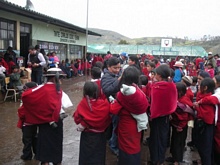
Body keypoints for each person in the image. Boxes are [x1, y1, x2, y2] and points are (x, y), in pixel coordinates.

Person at [19, 68, 72, 165]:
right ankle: (56, 161)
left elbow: (25, 96)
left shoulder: (40, 89)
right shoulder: (59, 91)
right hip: (57, 121)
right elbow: (66, 105)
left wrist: (37, 112)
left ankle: (45, 162)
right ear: (54, 78)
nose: (61, 80)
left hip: (43, 122)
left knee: (44, 143)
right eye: (60, 78)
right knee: (56, 144)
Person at [110, 66, 149, 164]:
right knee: (134, 147)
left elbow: (114, 110)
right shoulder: (138, 91)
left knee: (126, 148)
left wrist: (112, 102)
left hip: (126, 125)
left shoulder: (122, 94)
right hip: (136, 125)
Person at [73, 81, 111, 165]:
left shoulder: (83, 103)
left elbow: (77, 119)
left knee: (86, 157)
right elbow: (108, 119)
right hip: (100, 135)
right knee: (99, 156)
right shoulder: (104, 103)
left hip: (87, 136)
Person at [148, 64, 177, 165]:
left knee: (155, 138)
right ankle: (160, 159)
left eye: (155, 74)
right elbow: (173, 100)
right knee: (162, 138)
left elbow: (153, 104)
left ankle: (155, 159)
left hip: (156, 117)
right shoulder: (172, 85)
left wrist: (152, 115)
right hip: (166, 116)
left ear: (159, 76)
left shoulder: (156, 87)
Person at [168, 82, 194, 165]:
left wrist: (180, 126)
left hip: (181, 126)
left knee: (179, 143)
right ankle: (174, 157)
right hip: (176, 124)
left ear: (180, 92)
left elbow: (184, 117)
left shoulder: (183, 102)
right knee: (174, 141)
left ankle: (177, 160)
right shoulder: (179, 99)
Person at [193, 78, 217, 165]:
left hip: (206, 127)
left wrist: (197, 107)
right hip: (200, 125)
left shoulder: (209, 99)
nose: (198, 87)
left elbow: (208, 117)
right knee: (200, 146)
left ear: (205, 88)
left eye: (200, 85)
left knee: (206, 149)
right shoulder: (201, 96)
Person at [101, 57, 121, 155]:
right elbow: (107, 90)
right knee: (115, 126)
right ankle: (113, 145)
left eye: (118, 68)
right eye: (115, 68)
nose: (117, 70)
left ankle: (111, 141)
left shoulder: (116, 75)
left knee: (114, 126)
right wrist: (118, 81)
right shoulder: (106, 77)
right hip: (111, 106)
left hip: (116, 105)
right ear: (108, 67)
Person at [17, 82, 38, 161]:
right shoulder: (37, 96)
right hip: (35, 122)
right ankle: (37, 154)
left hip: (27, 123)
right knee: (35, 138)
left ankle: (27, 155)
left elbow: (22, 111)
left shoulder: (26, 97)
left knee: (27, 140)